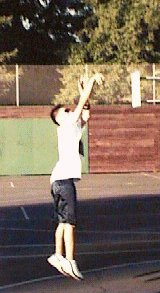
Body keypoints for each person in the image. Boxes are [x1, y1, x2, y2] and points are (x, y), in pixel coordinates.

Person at [47, 72, 104, 280]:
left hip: (58, 180)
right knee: (70, 223)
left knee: (62, 222)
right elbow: (80, 105)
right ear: (59, 117)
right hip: (63, 182)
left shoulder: (73, 127)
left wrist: (83, 94)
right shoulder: (66, 124)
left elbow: (86, 113)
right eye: (66, 110)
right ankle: (70, 261)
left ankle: (57, 255)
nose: (71, 110)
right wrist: (91, 81)